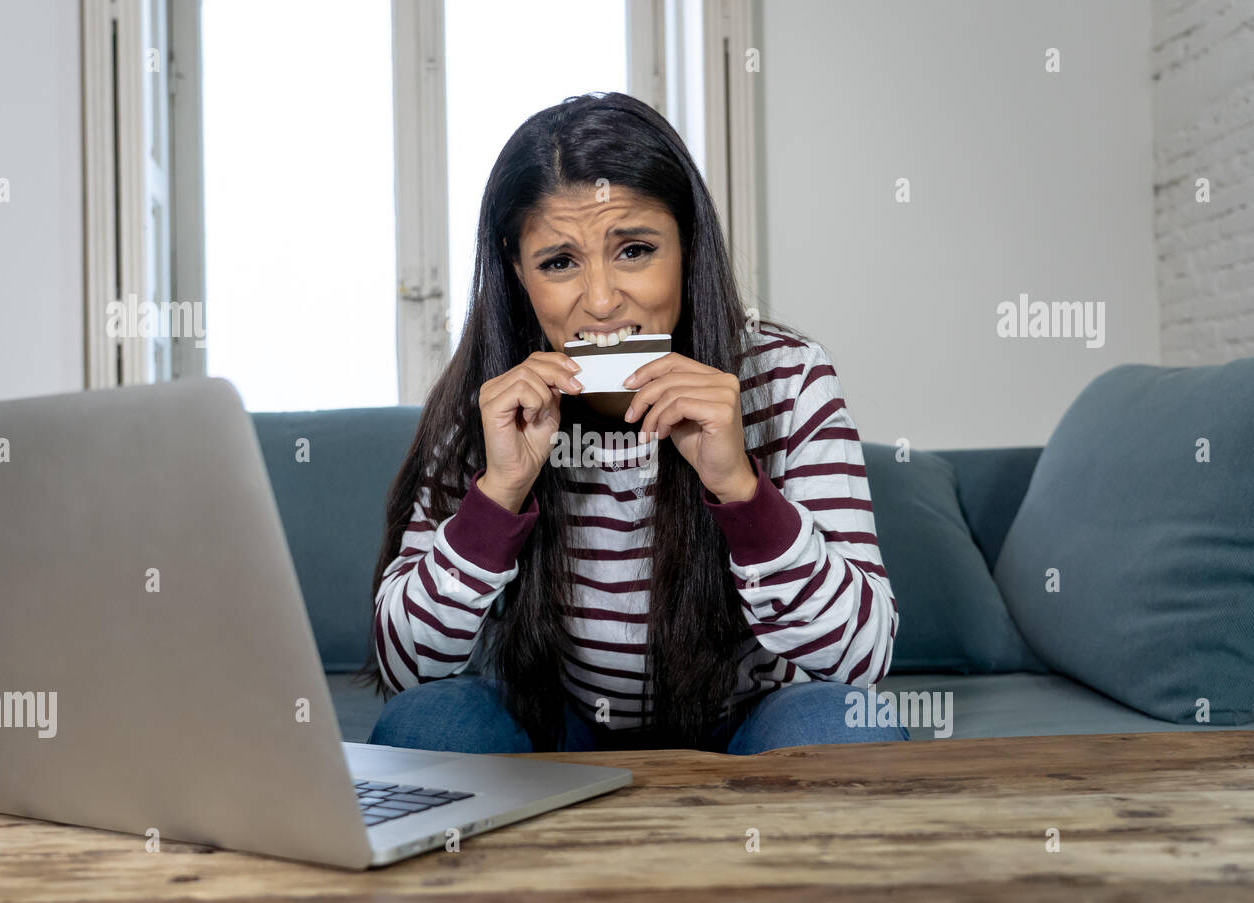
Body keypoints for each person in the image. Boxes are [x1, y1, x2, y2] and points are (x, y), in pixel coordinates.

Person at [358, 91, 906, 753]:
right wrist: (499, 495)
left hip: (749, 717)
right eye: (559, 263)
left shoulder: (787, 378)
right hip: (558, 719)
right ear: (518, 273)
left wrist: (741, 490)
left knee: (841, 725)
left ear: (688, 246)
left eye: (635, 250)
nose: (600, 300)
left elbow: (861, 659)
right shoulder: (493, 399)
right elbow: (405, 670)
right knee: (428, 725)